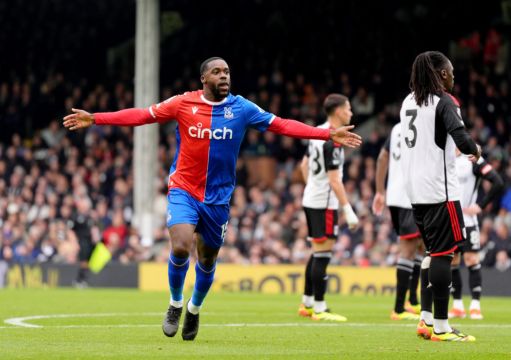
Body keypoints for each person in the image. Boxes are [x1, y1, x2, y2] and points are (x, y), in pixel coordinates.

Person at [63, 57, 362, 341]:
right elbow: (143, 115)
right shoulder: (183, 103)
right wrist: (96, 118)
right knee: (180, 246)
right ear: (204, 78)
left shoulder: (242, 108)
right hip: (184, 189)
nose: (224, 76)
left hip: (217, 199)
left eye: (227, 72)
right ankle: (176, 303)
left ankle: (194, 310)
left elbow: (281, 124)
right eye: (217, 72)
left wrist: (326, 135)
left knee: (206, 260)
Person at [400, 51, 481, 342]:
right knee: (446, 255)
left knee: (433, 253)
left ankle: (425, 319)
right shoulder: (445, 102)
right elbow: (462, 139)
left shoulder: (407, 102)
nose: (454, 76)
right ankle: (442, 327)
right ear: (443, 74)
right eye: (451, 71)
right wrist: (477, 150)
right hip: (440, 190)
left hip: (415, 192)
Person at [298, 94, 359, 322]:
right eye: (348, 109)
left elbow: (303, 165)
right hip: (323, 203)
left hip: (311, 198)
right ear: (338, 112)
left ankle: (307, 303)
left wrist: (312, 186)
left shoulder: (317, 132)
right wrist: (348, 209)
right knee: (323, 253)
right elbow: (334, 180)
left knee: (316, 252)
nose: (350, 113)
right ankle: (320, 308)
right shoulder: (333, 139)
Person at [372, 123, 423, 321]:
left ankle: (412, 300)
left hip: (396, 195)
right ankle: (399, 308)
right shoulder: (422, 124)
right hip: (409, 197)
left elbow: (382, 157)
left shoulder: (396, 128)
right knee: (409, 249)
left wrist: (380, 190)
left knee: (420, 246)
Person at [449, 149, 503, 319]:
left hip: (468, 219)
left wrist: (481, 205)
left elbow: (497, 182)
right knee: (452, 261)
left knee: (471, 259)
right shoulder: (445, 157)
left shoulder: (471, 159)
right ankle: (457, 305)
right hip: (450, 219)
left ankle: (475, 305)